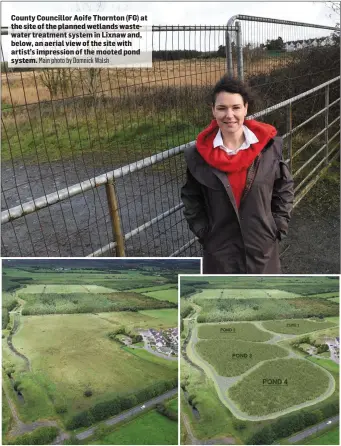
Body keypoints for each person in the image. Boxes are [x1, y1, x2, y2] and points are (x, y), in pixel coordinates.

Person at [181, 75, 294, 274]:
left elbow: (283, 187)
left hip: (262, 249)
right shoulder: (197, 156)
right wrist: (203, 232)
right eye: (222, 108)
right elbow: (192, 198)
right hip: (220, 252)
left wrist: (278, 224)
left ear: (246, 108)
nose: (229, 115)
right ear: (213, 110)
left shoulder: (269, 148)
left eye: (236, 107)